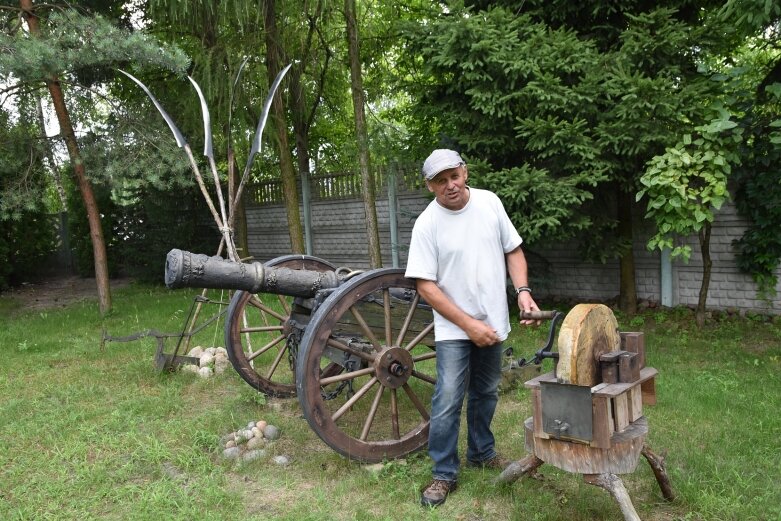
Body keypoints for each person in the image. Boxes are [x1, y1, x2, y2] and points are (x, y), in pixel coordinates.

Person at [405, 149, 539, 508]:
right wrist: (468, 325)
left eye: (454, 176)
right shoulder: (427, 224)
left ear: (464, 171)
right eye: (440, 181)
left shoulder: (490, 203)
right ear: (430, 186)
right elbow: (425, 286)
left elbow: (513, 250)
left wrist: (523, 291)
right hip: (453, 330)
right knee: (448, 397)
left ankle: (481, 451)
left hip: (492, 322)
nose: (450, 185)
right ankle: (443, 473)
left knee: (485, 392)